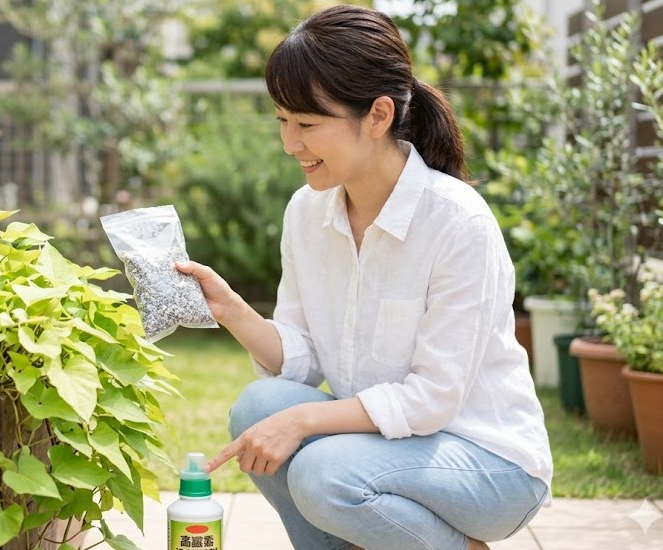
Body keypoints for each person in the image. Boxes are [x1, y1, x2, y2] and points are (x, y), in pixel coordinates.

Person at [174, 5, 552, 550]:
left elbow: (432, 398)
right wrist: (231, 309)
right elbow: (301, 358)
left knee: (322, 469)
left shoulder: (456, 221)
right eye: (282, 120)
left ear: (377, 116)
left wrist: (304, 421)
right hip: (380, 448)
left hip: (486, 460)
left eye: (306, 124)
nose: (289, 143)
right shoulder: (307, 212)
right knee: (258, 411)